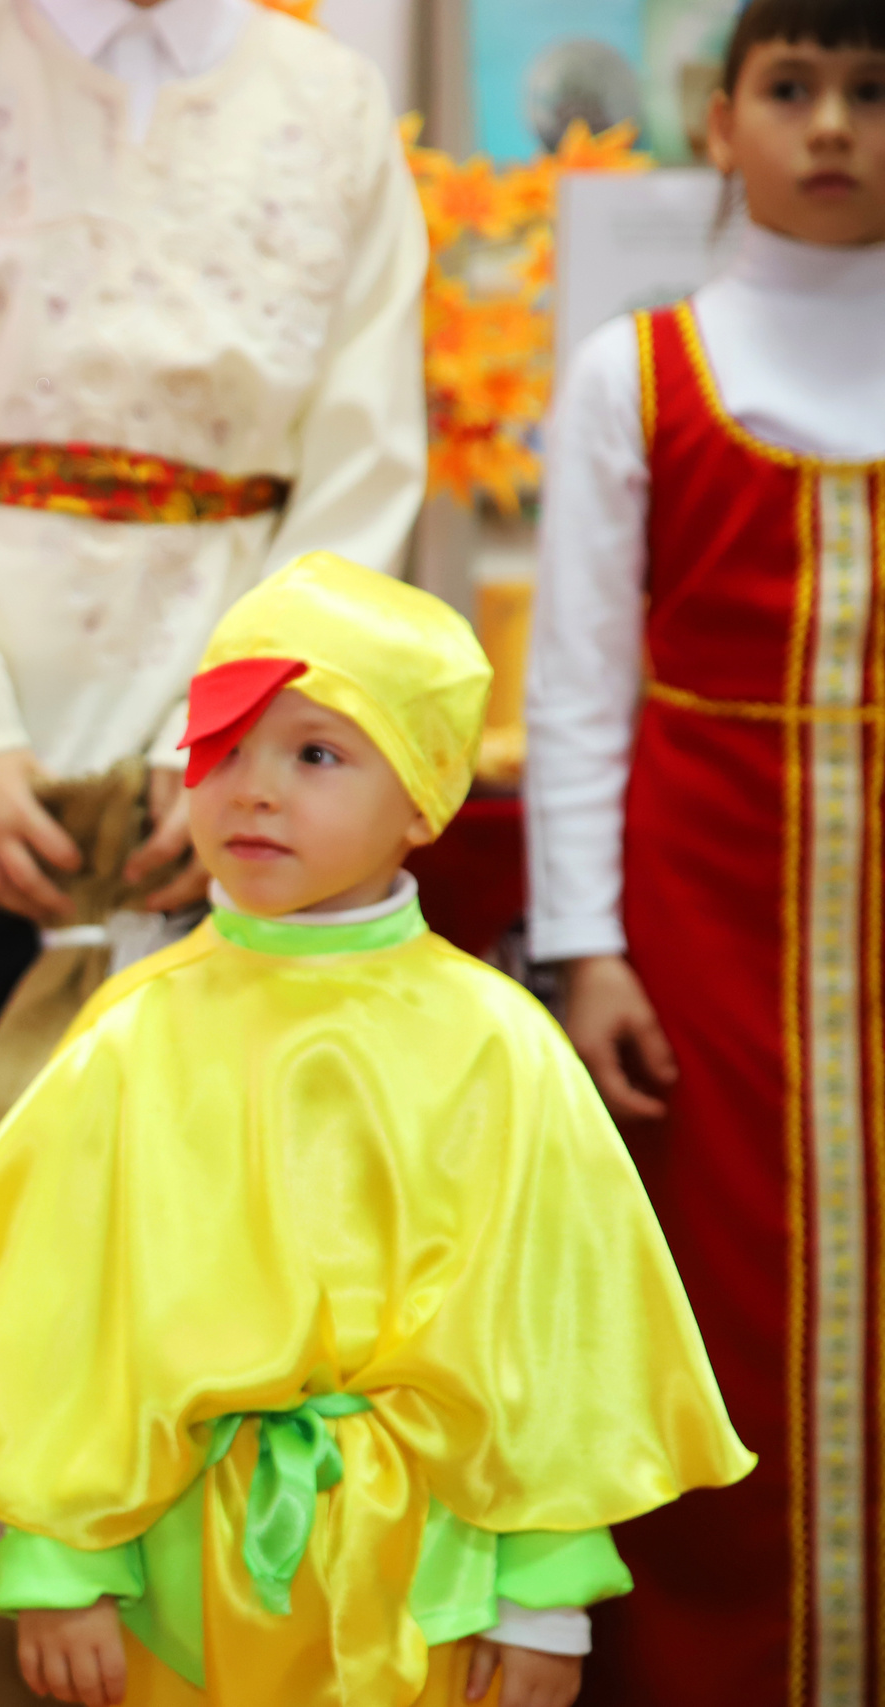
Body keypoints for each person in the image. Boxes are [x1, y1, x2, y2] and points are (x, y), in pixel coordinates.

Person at [0, 1, 429, 1691]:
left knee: (208, 1276)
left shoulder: (328, 105)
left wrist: (250, 759)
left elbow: (361, 460)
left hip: (226, 813)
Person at [0, 554, 753, 1707]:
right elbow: (55, 1303)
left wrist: (541, 1595)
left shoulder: (495, 1044)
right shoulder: (132, 1033)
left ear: (423, 797)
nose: (252, 789)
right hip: (175, 1570)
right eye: (223, 746)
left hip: (425, 1577)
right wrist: (56, 1557)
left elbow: (558, 1326)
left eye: (314, 753)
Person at [524, 2, 885, 1700]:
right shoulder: (634, 373)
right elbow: (579, 682)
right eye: (794, 89)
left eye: (873, 94)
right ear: (720, 120)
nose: (833, 127)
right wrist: (583, 949)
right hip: (700, 927)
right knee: (708, 1314)